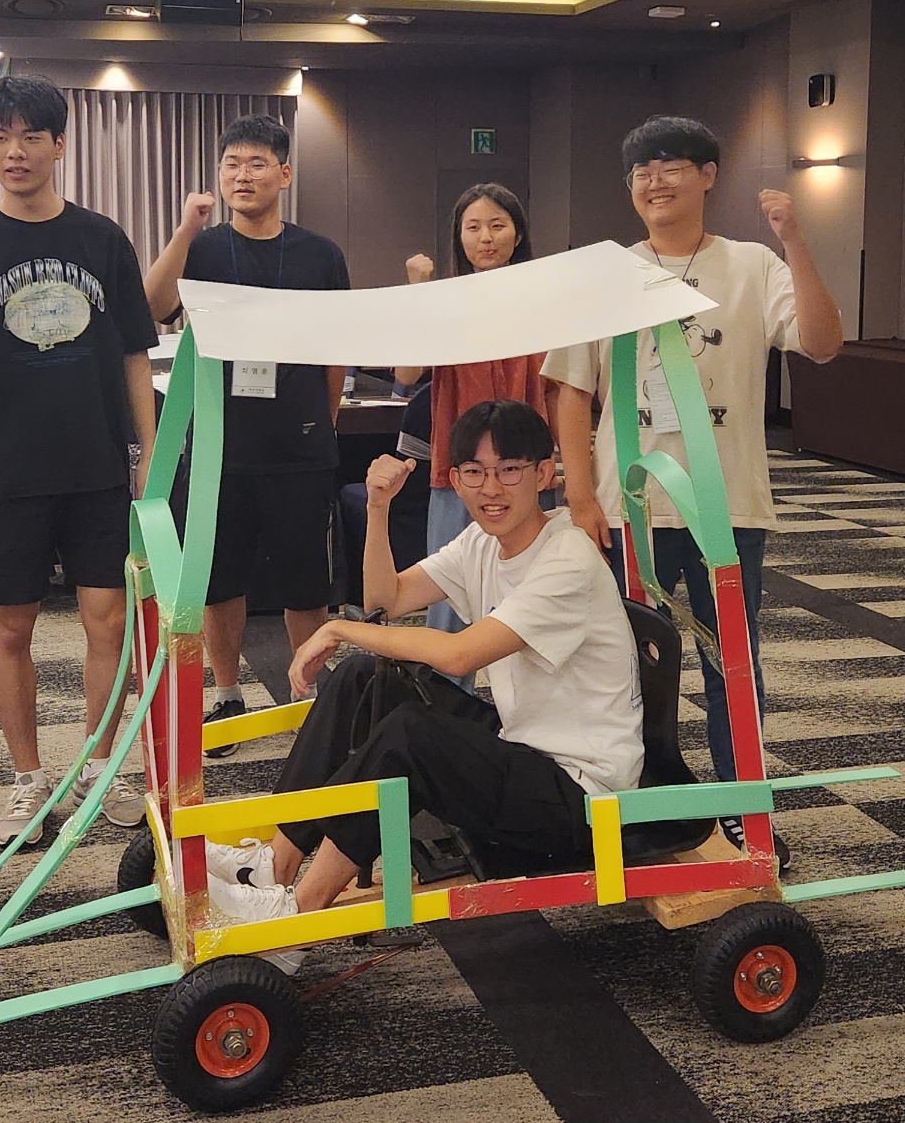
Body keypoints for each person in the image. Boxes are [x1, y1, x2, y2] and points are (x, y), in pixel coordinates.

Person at [202, 400, 642, 955]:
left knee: (410, 735)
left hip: (582, 795)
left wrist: (338, 628)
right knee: (366, 678)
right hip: (524, 748)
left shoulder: (568, 559)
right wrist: (378, 509)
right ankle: (276, 863)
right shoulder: (483, 542)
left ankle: (300, 917)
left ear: (544, 474)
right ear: (455, 480)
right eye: (475, 472)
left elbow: (459, 655)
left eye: (509, 470)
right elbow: (384, 599)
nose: (491, 488)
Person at [541, 115, 841, 853]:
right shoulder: (605, 274)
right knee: (624, 663)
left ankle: (741, 802)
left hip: (725, 505)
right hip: (628, 507)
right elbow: (571, 390)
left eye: (672, 166)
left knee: (729, 662)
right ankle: (638, 799)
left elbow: (823, 343)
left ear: (708, 176)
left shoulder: (751, 264)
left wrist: (795, 242)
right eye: (642, 171)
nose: (655, 181)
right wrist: (580, 496)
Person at [0, 75, 157, 844]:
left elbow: (134, 354)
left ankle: (100, 765)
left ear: (58, 145)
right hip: (6, 469)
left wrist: (145, 454)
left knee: (108, 622)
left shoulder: (101, 238)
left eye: (30, 137)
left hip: (96, 466)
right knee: (9, 624)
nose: (14, 151)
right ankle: (26, 777)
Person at [143, 114, 350, 756]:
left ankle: (306, 696)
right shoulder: (202, 249)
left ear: (284, 174)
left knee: (305, 584)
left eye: (257, 163)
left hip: (299, 446)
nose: (242, 175)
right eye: (232, 164)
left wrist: (324, 420)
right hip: (217, 450)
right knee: (218, 581)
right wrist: (185, 228)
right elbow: (151, 307)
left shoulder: (320, 254)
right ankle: (227, 692)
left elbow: (335, 350)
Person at [393, 184, 551, 667]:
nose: (486, 238)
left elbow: (562, 383)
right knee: (448, 594)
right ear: (458, 237)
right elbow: (406, 374)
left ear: (518, 234)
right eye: (474, 227)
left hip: (526, 466)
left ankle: (527, 705)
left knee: (534, 596)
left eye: (498, 225)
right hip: (459, 469)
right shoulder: (444, 299)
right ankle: (446, 703)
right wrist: (419, 294)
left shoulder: (544, 299)